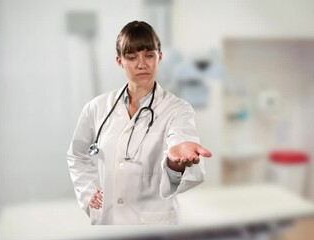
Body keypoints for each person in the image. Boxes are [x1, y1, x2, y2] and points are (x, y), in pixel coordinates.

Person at [67, 20, 212, 225]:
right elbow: (77, 154)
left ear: (159, 57)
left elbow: (181, 142)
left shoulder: (178, 109)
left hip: (155, 225)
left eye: (149, 55)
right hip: (109, 221)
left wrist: (174, 163)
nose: (142, 64)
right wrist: (87, 190)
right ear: (120, 61)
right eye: (132, 57)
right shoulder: (97, 108)